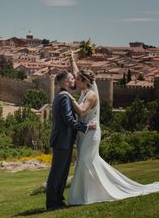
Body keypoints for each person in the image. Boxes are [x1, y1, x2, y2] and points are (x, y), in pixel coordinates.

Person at [65, 51, 159, 205]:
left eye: (78, 79)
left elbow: (81, 111)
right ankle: (89, 194)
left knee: (87, 161)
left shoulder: (91, 95)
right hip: (84, 132)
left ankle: (85, 197)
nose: (75, 81)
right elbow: (76, 72)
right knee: (85, 162)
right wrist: (72, 59)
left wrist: (66, 95)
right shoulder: (85, 90)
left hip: (91, 134)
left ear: (85, 82)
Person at [46, 70, 96, 211]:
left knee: (62, 172)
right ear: (66, 82)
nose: (74, 80)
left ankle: (58, 201)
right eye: (71, 78)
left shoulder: (63, 96)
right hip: (62, 140)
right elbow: (68, 119)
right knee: (57, 173)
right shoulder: (64, 98)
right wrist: (85, 127)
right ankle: (52, 203)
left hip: (64, 140)